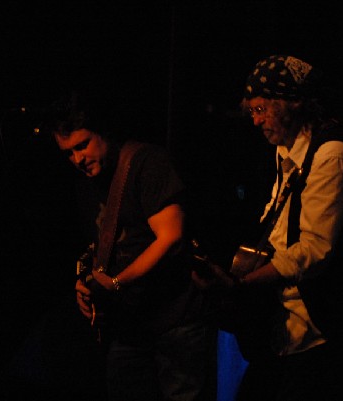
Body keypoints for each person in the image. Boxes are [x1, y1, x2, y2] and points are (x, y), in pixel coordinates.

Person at [193, 55, 343, 401]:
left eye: (262, 110)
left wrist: (242, 284)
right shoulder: (286, 150)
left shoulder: (332, 153)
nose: (256, 121)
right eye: (252, 112)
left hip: (321, 324)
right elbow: (277, 230)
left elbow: (314, 250)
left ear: (290, 103)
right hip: (287, 326)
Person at [42, 89, 216, 401]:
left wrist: (117, 283)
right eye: (68, 153)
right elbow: (99, 244)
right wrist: (86, 281)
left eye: (83, 145)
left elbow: (171, 236)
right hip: (129, 325)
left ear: (103, 133)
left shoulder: (146, 163)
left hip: (176, 319)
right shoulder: (87, 182)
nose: (77, 159)